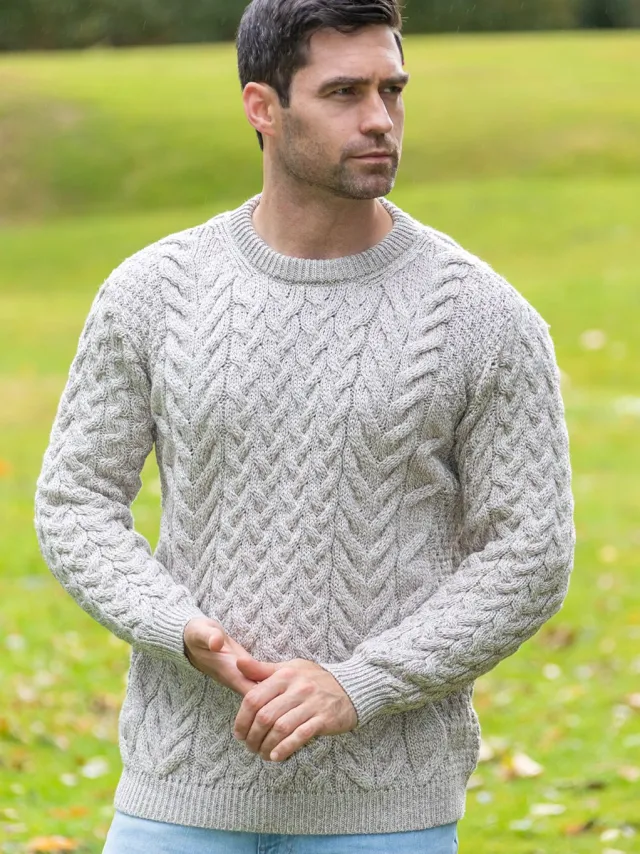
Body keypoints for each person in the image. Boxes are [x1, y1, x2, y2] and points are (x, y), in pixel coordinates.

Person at [33, 0, 576, 851]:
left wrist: (359, 684)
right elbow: (75, 501)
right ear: (263, 106)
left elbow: (531, 552)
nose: (380, 119)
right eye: (344, 92)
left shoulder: (485, 318)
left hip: (385, 811)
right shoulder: (152, 292)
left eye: (393, 90)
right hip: (180, 794)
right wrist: (176, 627)